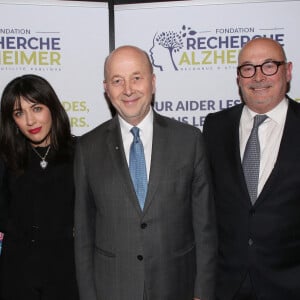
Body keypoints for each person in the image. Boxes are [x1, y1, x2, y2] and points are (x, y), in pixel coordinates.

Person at [74, 45, 217, 300]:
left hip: (176, 286)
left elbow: (204, 228)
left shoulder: (189, 140)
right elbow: (83, 235)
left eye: (136, 78)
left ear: (153, 82)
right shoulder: (87, 148)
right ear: (106, 89)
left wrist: (202, 293)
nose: (128, 89)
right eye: (118, 81)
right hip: (113, 288)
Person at [203, 37, 300, 300]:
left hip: (289, 287)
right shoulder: (215, 127)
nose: (258, 77)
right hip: (225, 286)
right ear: (238, 77)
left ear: (287, 70)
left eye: (269, 66)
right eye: (248, 68)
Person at [0, 74, 79, 300]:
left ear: (52, 107)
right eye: (19, 113)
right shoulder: (6, 158)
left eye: (36, 108)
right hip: (17, 275)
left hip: (67, 274)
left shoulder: (81, 153)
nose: (30, 121)